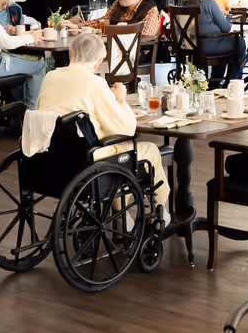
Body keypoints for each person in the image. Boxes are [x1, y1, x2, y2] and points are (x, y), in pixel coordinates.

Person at [37, 30, 169, 222]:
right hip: (89, 158)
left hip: (52, 155)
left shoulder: (50, 77)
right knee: (149, 151)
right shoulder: (94, 83)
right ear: (98, 61)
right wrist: (120, 100)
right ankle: (159, 213)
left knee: (119, 153)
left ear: (71, 54)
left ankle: (124, 218)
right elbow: (126, 128)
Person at [182, 0, 241, 85]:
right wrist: (229, 18)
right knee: (240, 42)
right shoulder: (210, 2)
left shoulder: (184, 3)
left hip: (188, 48)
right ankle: (230, 83)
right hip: (208, 47)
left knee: (223, 43)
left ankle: (215, 83)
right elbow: (226, 28)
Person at [92, 0, 163, 42]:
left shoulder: (150, 10)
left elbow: (146, 37)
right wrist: (84, 25)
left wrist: (119, 32)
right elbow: (104, 21)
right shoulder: (118, 3)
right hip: (112, 46)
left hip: (137, 50)